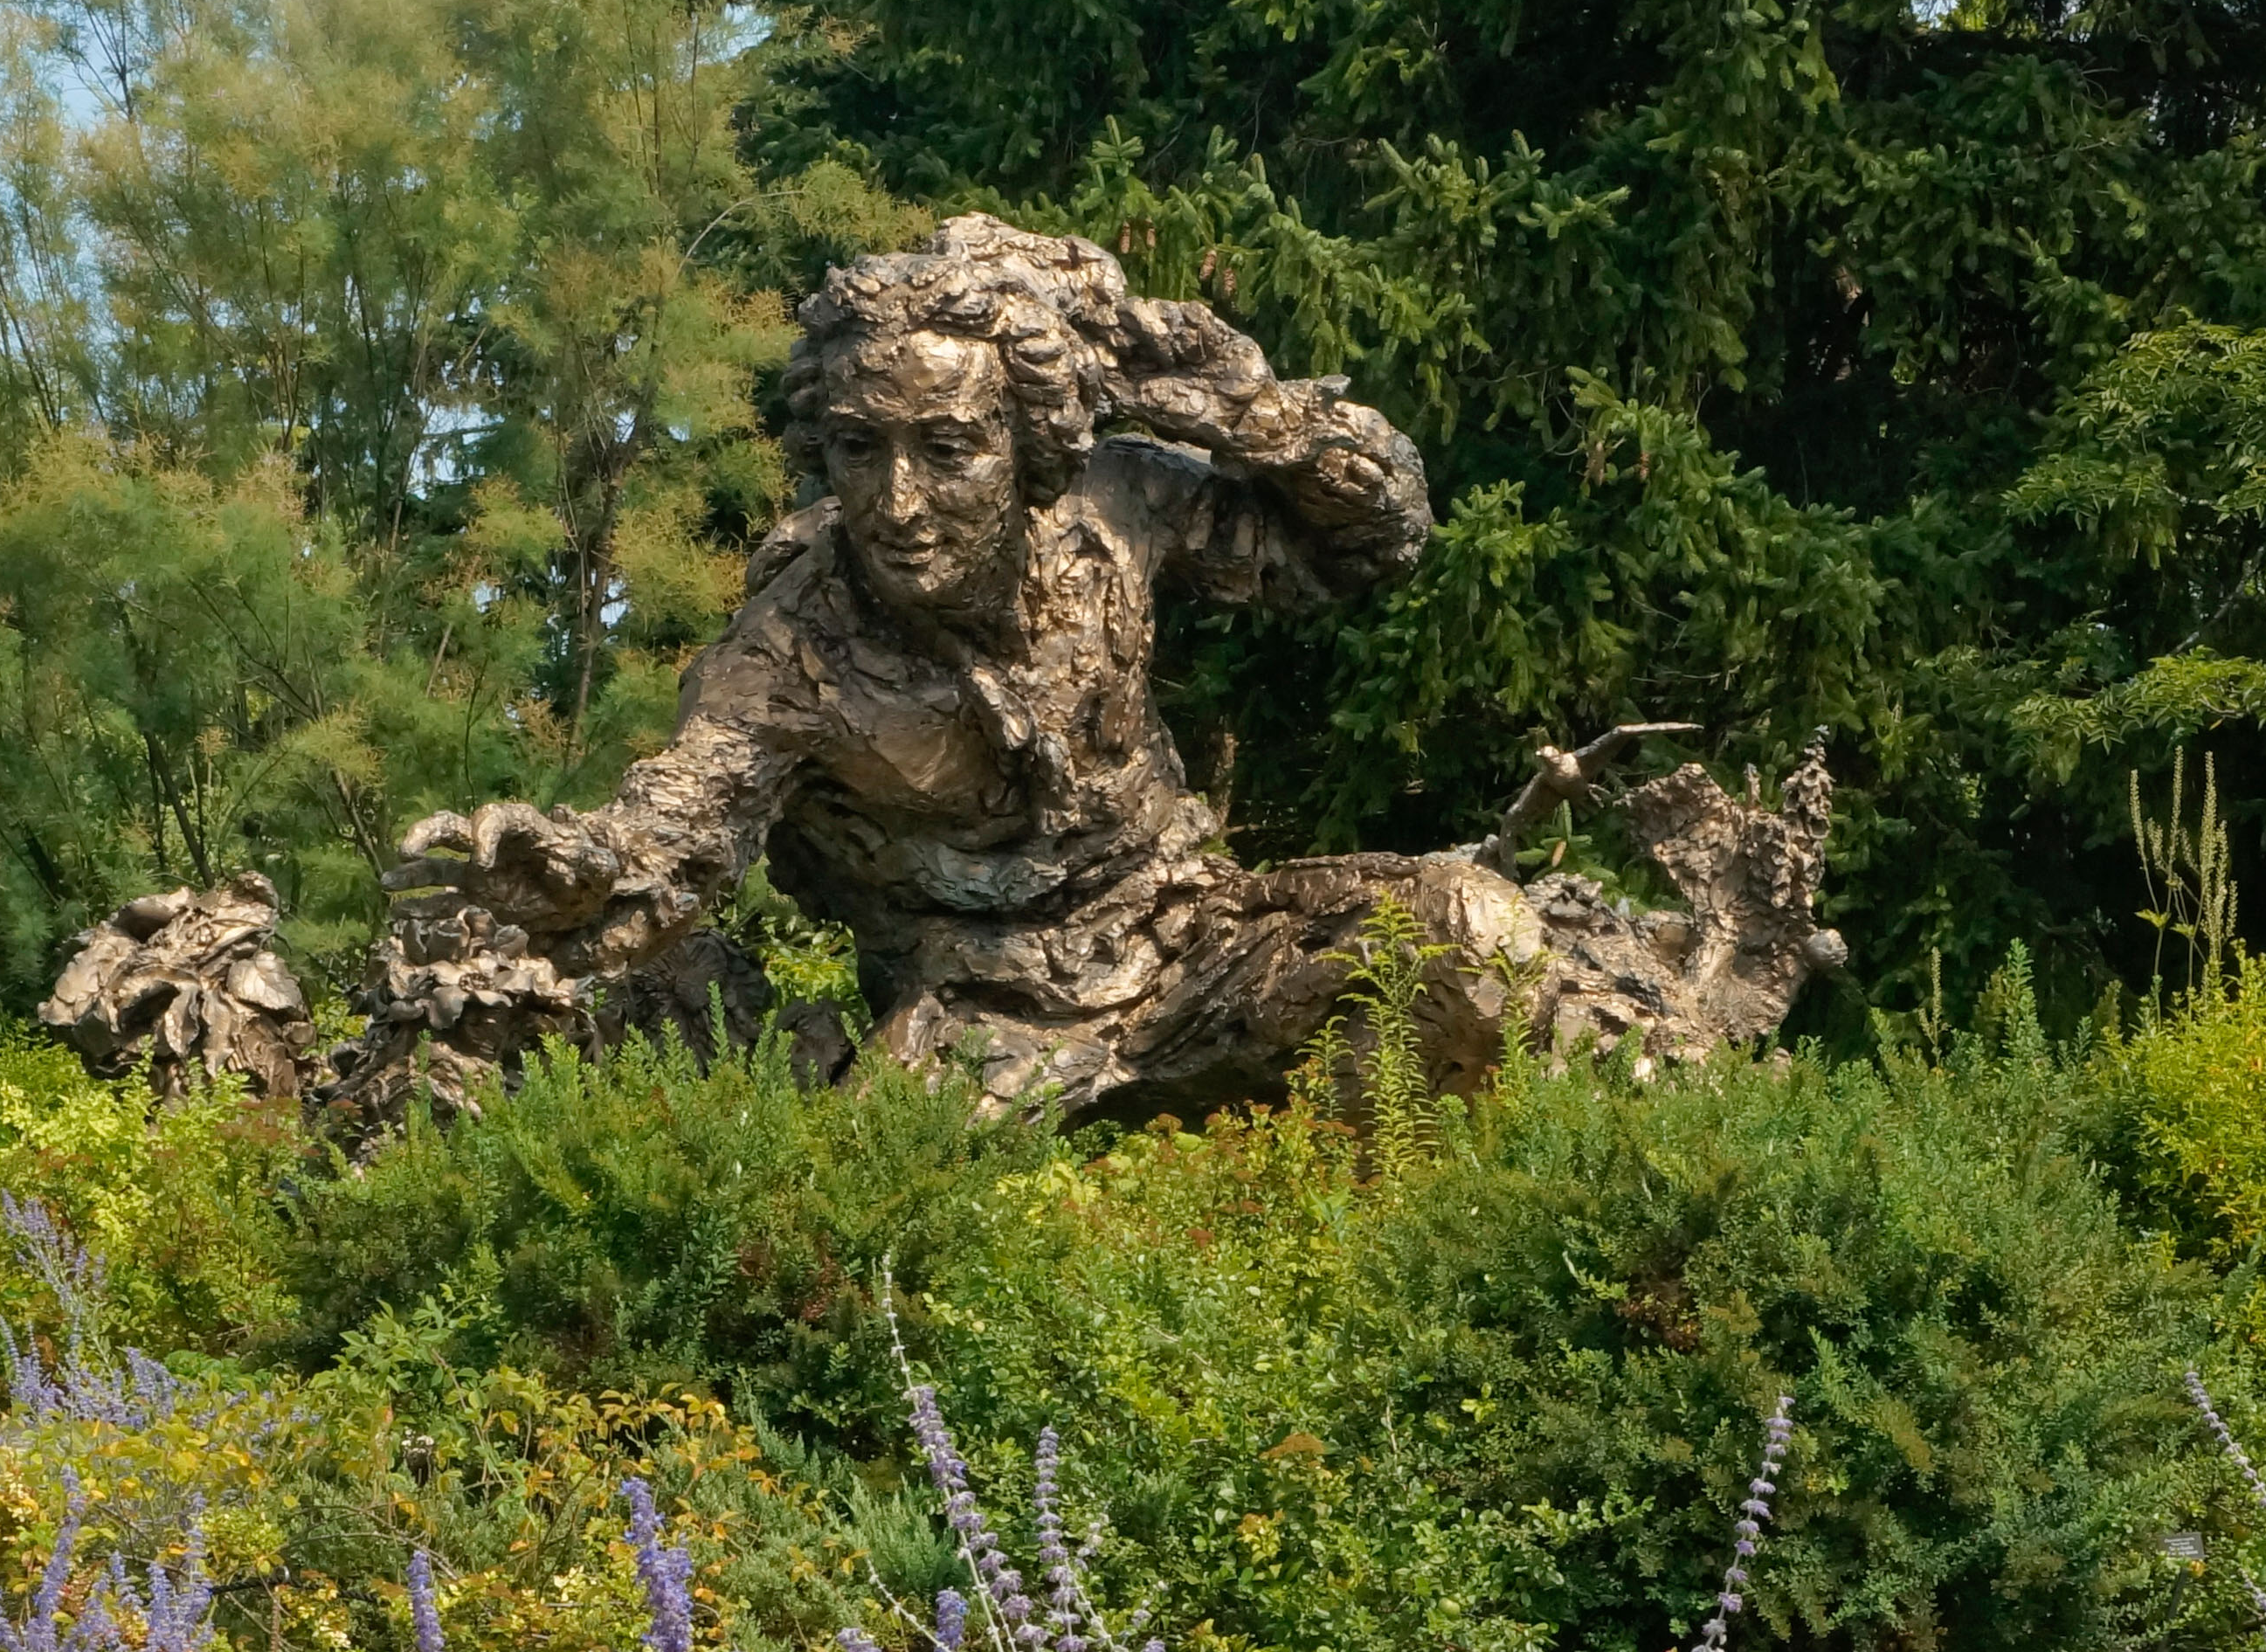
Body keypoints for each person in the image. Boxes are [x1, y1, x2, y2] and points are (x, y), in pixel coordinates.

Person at [335, 214, 1836, 1131]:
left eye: (947, 448)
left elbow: (1373, 532)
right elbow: (675, 837)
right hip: (974, 1022)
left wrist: (1216, 405)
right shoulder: (786, 637)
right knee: (877, 1206)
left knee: (1465, 930)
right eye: (860, 450)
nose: (900, 501)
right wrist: (568, 868)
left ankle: (1375, 1238)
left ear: (1031, 444)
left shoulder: (1116, 502)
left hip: (1194, 944)